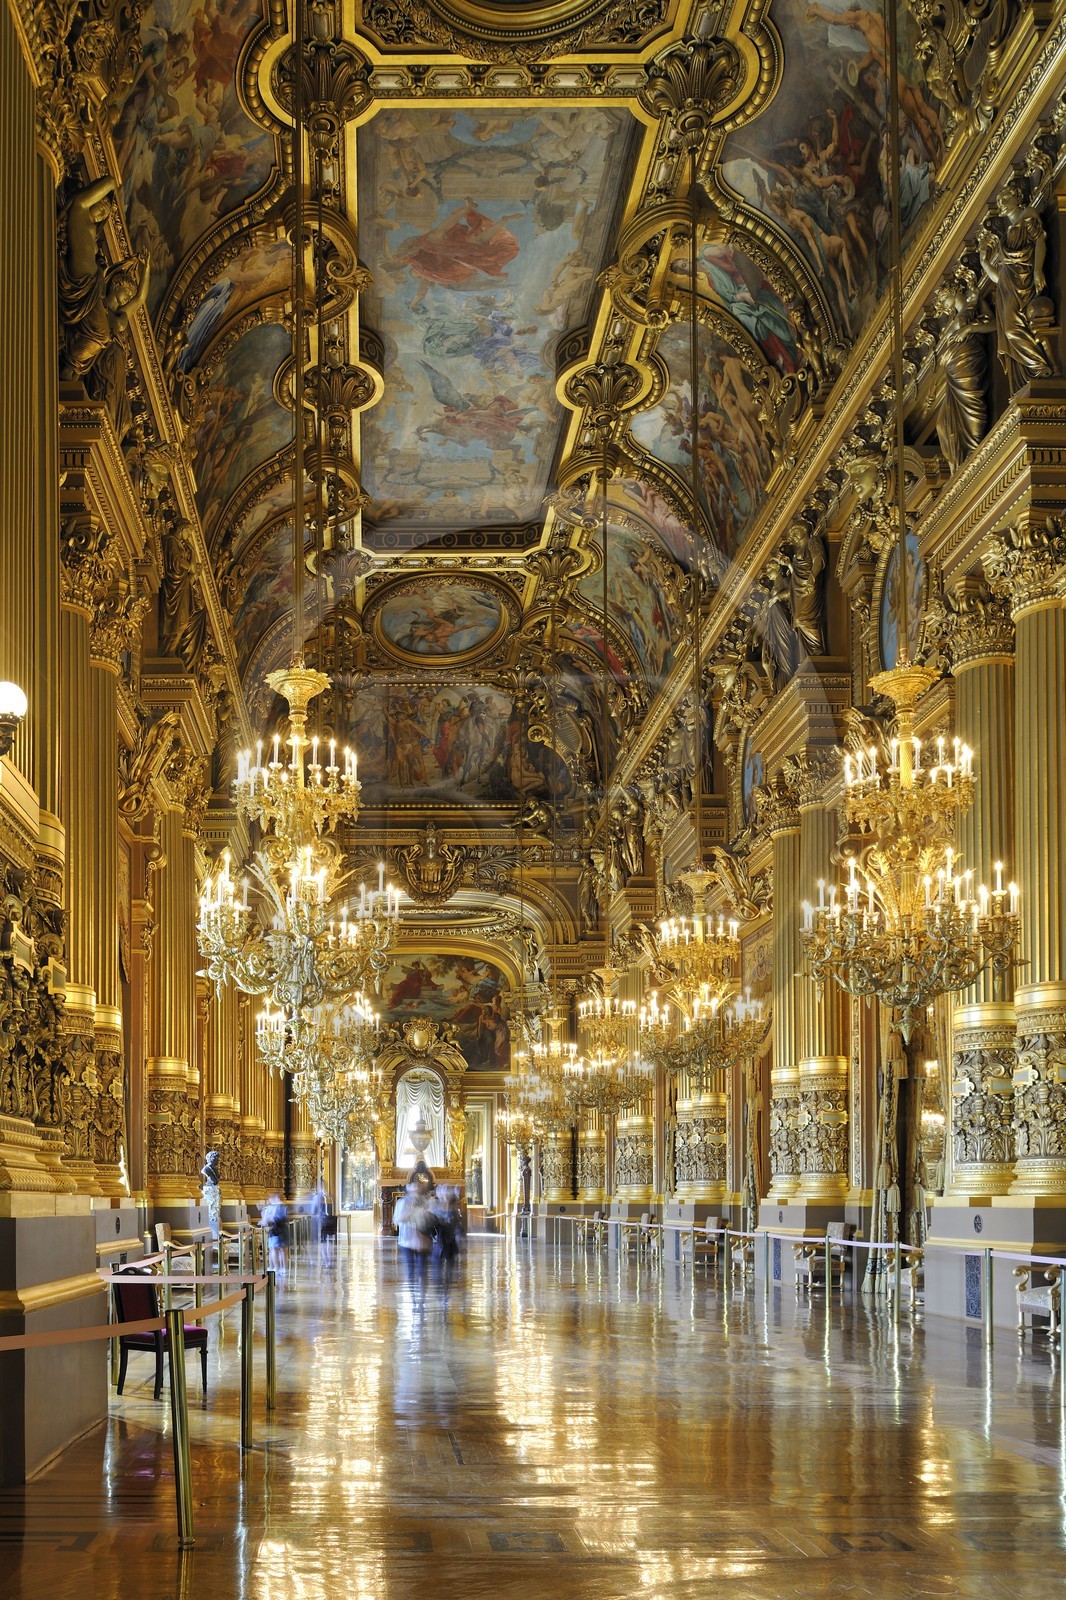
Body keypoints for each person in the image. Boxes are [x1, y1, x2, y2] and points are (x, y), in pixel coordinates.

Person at [393, 1181, 432, 1309]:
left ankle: (422, 1298)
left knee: (422, 1270)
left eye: (418, 1185)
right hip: (407, 1241)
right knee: (411, 1271)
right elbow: (396, 1220)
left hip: (423, 1240)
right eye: (413, 1185)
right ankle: (413, 1298)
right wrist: (411, 1212)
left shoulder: (426, 1202)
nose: (415, 1187)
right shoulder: (402, 1202)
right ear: (408, 1188)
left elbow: (431, 1220)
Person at [261, 1192, 288, 1276]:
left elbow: (265, 1220)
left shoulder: (271, 1208)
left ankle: (276, 1267)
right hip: (281, 1230)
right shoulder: (283, 1207)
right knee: (282, 1250)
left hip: (275, 1230)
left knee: (274, 1249)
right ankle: (283, 1268)